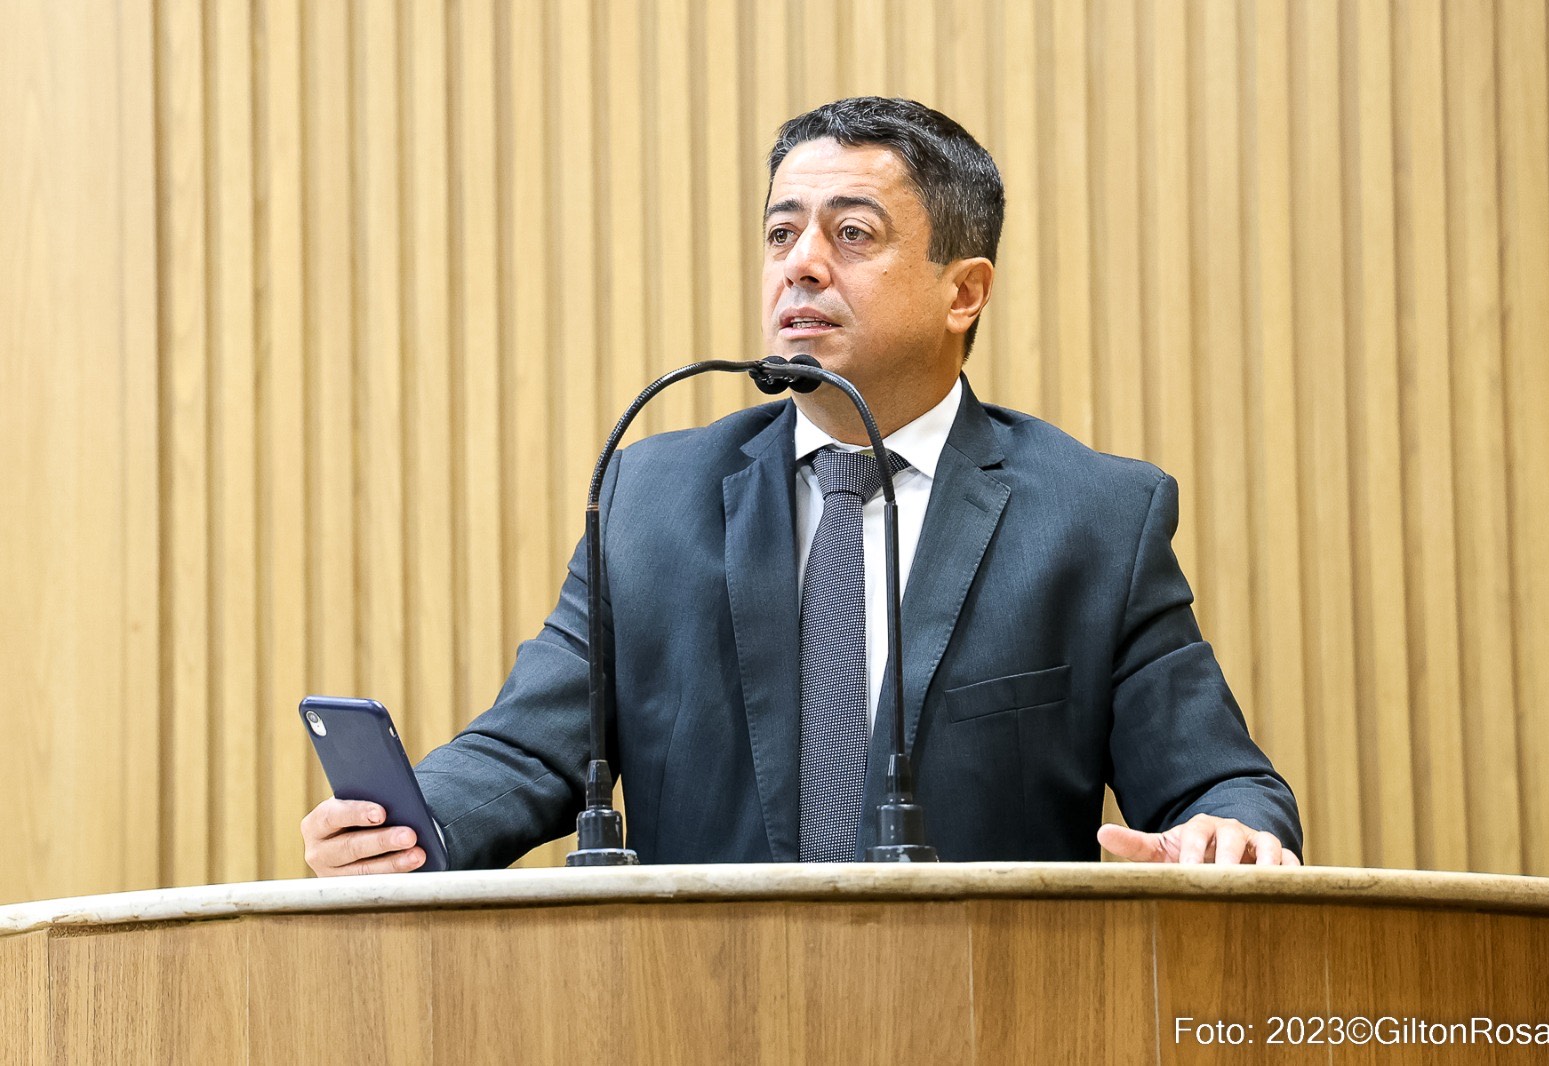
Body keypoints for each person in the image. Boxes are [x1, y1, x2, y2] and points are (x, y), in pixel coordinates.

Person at [303, 97, 1302, 876]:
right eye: (782, 234)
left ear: (964, 291)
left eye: (851, 235)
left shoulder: (1089, 517)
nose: (801, 266)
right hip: (699, 1017)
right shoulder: (653, 497)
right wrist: (409, 823)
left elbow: (1220, 781)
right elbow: (527, 751)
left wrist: (1228, 828)